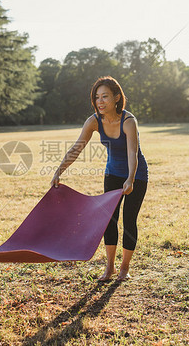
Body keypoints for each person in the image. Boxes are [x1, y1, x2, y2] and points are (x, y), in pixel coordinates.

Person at [50, 76, 148, 281]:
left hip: (136, 174)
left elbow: (132, 153)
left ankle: (124, 269)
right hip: (112, 173)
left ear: (117, 97)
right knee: (109, 220)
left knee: (129, 219)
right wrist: (59, 170)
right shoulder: (94, 121)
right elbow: (77, 147)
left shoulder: (129, 121)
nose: (100, 101)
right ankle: (110, 267)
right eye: (97, 97)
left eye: (105, 96)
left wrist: (130, 179)